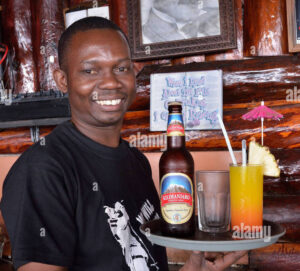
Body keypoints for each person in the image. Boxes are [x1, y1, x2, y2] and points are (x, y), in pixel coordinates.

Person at [0, 17, 246, 271]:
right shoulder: (43, 170)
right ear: (63, 80)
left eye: (121, 68)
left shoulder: (135, 161)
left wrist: (195, 269)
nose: (111, 82)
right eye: (90, 70)